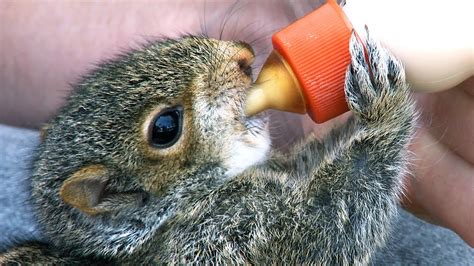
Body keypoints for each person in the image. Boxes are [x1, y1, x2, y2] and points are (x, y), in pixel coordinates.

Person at [1, 0, 473, 248]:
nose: (242, 58)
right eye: (166, 128)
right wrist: (383, 127)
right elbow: (325, 232)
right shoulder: (192, 241)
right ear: (110, 198)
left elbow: (293, 189)